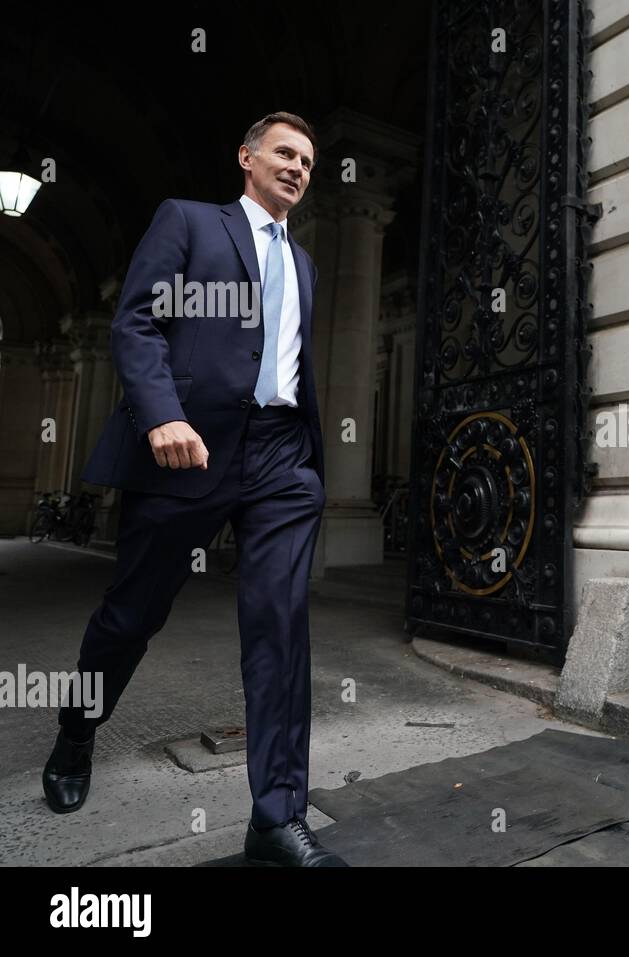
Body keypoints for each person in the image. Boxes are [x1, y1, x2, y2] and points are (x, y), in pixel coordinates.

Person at [43, 113, 344, 867]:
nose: (298, 168)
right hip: (189, 450)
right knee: (132, 614)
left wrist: (308, 458)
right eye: (284, 153)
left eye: (308, 160)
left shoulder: (304, 264)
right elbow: (136, 323)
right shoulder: (189, 222)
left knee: (279, 628)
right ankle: (78, 728)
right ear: (246, 157)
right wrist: (163, 418)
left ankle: (276, 818)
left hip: (279, 459)